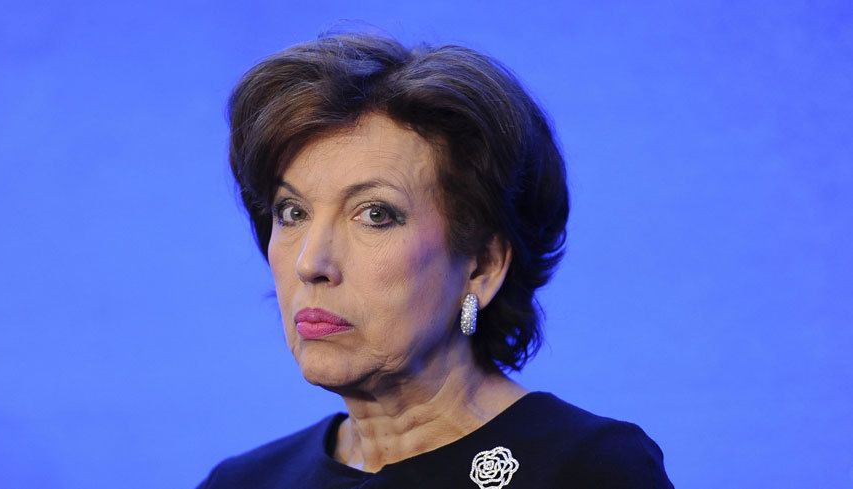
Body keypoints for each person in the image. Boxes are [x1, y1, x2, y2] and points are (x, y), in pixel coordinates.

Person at [198, 32, 673, 489]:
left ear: (482, 266)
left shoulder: (586, 470)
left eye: (375, 215)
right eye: (292, 212)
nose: (310, 263)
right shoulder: (242, 482)